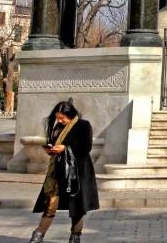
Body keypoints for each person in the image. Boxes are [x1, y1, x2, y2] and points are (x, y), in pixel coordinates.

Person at [29, 100, 99, 243]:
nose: (60, 120)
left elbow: (86, 147)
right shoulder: (58, 127)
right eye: (58, 117)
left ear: (71, 114)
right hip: (58, 171)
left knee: (77, 205)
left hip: (78, 172)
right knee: (50, 203)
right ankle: (38, 236)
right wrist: (51, 148)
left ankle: (75, 236)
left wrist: (65, 148)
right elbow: (55, 142)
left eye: (62, 117)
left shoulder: (83, 125)